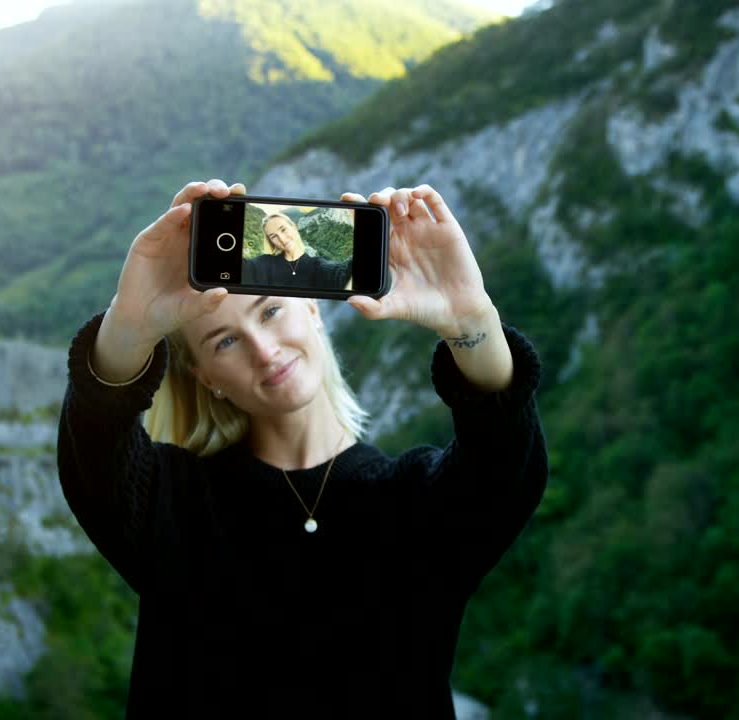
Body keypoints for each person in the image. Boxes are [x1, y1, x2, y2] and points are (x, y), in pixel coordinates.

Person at [57, 177, 548, 718]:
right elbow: (95, 446)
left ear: (313, 309)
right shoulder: (169, 504)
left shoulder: (415, 506)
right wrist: (128, 324)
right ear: (204, 376)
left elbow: (505, 461)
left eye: (270, 311)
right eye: (225, 340)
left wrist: (470, 320)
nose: (264, 351)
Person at [242, 211, 352, 289]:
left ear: (293, 226)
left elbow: (342, 272)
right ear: (271, 241)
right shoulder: (263, 263)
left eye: (283, 229)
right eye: (273, 236)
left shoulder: (317, 266)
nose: (282, 239)